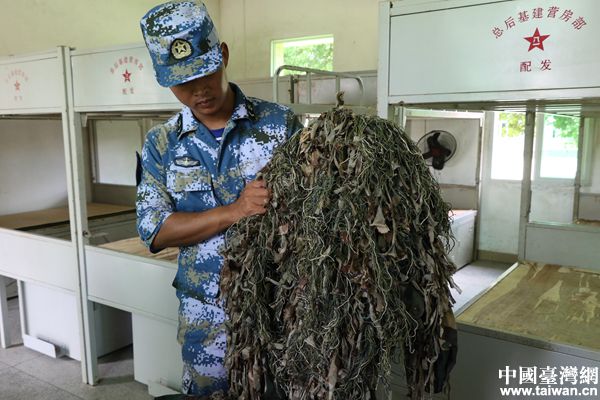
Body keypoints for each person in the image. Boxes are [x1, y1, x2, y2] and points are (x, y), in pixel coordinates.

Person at [137, 1, 303, 396]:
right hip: (206, 317)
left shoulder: (280, 125)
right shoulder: (162, 144)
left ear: (223, 55)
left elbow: (312, 215)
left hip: (278, 308)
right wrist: (235, 211)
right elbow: (154, 230)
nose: (198, 91)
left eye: (204, 73)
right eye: (182, 83)